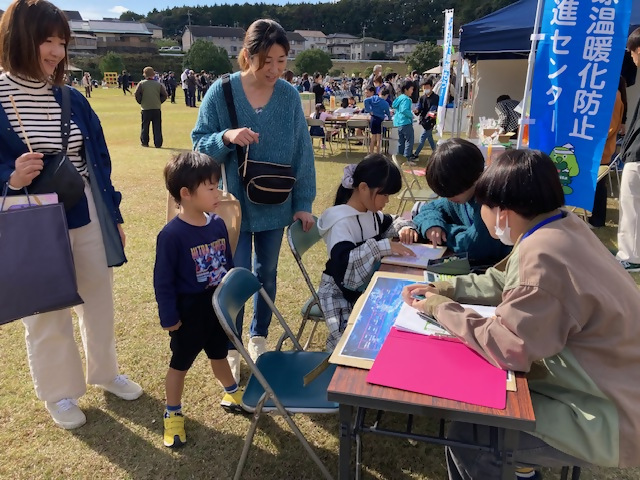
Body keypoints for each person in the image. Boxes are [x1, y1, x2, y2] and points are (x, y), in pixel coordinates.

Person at [402, 148, 640, 479]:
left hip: (605, 414)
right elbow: (504, 281)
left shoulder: (543, 258)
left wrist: (441, 309)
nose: (480, 212)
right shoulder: (560, 226)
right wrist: (448, 289)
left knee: (471, 435)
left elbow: (508, 347)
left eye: (482, 204)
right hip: (610, 388)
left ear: (503, 212)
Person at [0, 0, 142, 430]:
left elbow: (97, 159)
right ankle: (59, 392)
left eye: (62, 41)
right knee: (46, 311)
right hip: (30, 221)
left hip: (85, 213)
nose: (56, 52)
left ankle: (105, 372)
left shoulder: (72, 99)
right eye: (47, 40)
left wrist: (112, 211)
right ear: (18, 39)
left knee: (99, 299)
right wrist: (10, 177)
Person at [191, 19, 315, 381]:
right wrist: (226, 136)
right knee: (236, 276)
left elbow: (302, 152)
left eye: (281, 60)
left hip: (277, 204)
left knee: (268, 274)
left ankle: (258, 335)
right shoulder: (221, 91)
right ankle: (231, 345)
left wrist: (303, 201)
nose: (275, 69)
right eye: (266, 61)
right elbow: (199, 144)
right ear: (247, 56)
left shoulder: (290, 96)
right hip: (234, 207)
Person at [154, 151, 244, 449]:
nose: (218, 191)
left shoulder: (218, 223)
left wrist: (230, 298)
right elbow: (163, 281)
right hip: (189, 313)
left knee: (219, 354)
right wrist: (170, 317)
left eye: (217, 184)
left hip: (216, 308)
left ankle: (231, 391)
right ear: (186, 193)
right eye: (210, 187)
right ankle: (173, 412)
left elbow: (227, 263)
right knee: (180, 365)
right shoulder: (171, 235)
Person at [317, 156, 418, 351]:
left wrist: (405, 228)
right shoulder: (341, 222)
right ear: (363, 188)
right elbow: (346, 270)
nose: (387, 201)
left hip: (364, 288)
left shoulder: (369, 212)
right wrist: (382, 246)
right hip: (340, 296)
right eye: (384, 195)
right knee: (356, 345)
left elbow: (393, 221)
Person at [412, 139, 512, 267]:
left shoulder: (489, 201)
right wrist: (433, 225)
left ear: (476, 177)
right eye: (445, 194)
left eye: (452, 193)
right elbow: (428, 208)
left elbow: (473, 246)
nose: (448, 198)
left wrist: (445, 230)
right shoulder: (460, 194)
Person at [617, 27, 640, 271]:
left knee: (632, 204)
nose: (631, 59)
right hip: (634, 151)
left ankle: (631, 256)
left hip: (638, 154)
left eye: (631, 54)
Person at [589, 76, 625, 228]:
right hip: (598, 146)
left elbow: (610, 127)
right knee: (595, 184)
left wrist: (592, 138)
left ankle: (597, 220)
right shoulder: (609, 94)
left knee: (598, 185)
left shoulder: (613, 96)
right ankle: (594, 218)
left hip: (601, 147)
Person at [135, 66, 168, 149]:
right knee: (157, 126)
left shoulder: (141, 84)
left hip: (145, 108)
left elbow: (136, 94)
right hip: (156, 108)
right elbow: (164, 95)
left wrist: (141, 101)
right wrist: (159, 101)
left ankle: (145, 142)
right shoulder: (158, 84)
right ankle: (158, 143)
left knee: (145, 126)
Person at [412, 78, 439, 160]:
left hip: (430, 121)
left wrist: (430, 115)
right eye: (424, 87)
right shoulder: (422, 97)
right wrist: (417, 110)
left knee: (422, 137)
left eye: (427, 87)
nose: (425, 89)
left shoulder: (436, 97)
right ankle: (436, 152)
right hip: (423, 120)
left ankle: (416, 154)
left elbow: (433, 109)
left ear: (431, 87)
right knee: (430, 138)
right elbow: (419, 107)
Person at [363, 86, 391, 154]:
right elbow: (388, 113)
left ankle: (371, 153)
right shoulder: (385, 103)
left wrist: (369, 110)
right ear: (386, 95)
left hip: (373, 119)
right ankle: (378, 154)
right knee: (379, 139)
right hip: (380, 120)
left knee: (373, 138)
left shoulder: (373, 98)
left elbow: (365, 100)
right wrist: (389, 118)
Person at [392, 79, 415, 160]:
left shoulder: (400, 98)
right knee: (409, 141)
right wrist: (411, 115)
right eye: (411, 89)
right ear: (406, 89)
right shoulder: (406, 99)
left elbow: (395, 106)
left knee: (401, 142)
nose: (412, 91)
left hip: (399, 123)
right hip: (406, 122)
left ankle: (400, 158)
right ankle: (407, 158)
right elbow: (404, 110)